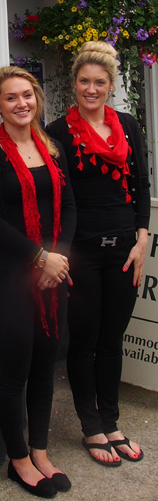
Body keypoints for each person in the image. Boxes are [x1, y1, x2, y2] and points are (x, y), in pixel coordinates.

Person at [0, 66, 75, 498]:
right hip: (14, 279)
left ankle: (41, 451)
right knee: (16, 371)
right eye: (11, 97)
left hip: (54, 278)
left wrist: (60, 258)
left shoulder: (50, 147)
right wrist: (40, 257)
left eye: (28, 95)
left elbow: (69, 205)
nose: (22, 104)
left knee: (44, 369)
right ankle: (18, 461)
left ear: (38, 99)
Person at [47, 41, 149, 467]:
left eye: (100, 83)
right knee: (85, 340)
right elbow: (59, 200)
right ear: (75, 83)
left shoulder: (127, 126)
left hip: (125, 250)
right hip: (83, 253)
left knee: (112, 340)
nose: (92, 89)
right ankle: (91, 426)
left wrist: (143, 239)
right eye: (84, 81)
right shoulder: (57, 133)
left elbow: (142, 185)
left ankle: (112, 420)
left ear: (111, 85)